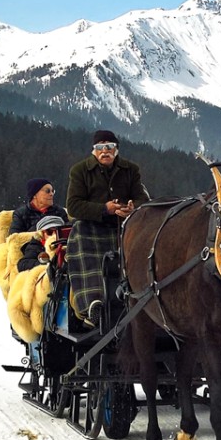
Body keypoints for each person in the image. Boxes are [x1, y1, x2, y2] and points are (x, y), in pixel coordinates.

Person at [65, 130, 146, 323]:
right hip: (90, 228)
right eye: (100, 148)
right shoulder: (80, 170)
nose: (105, 151)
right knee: (87, 255)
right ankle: (93, 305)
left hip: (124, 225)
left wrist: (133, 208)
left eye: (109, 147)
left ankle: (142, 298)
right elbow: (73, 205)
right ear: (94, 151)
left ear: (116, 150)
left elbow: (142, 197)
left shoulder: (130, 169)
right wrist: (104, 209)